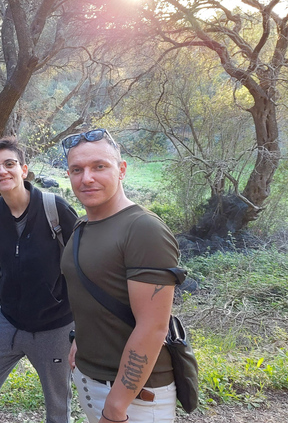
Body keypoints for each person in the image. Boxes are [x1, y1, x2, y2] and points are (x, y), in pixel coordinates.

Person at [59, 129, 179, 423]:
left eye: (99, 166)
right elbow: (89, 294)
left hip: (134, 397)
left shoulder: (143, 228)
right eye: (77, 169)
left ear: (121, 170)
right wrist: (81, 340)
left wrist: (115, 408)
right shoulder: (81, 225)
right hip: (90, 378)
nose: (87, 178)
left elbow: (153, 327)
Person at [0, 137, 78, 423]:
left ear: (24, 169)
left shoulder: (55, 209)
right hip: (8, 321)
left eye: (9, 164)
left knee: (57, 409)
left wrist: (84, 326)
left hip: (56, 325)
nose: (2, 171)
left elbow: (83, 269)